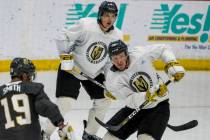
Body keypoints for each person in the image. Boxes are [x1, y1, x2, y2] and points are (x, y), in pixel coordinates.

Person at [44, 1, 123, 140]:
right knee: (65, 103)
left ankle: (89, 134)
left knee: (104, 100)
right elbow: (62, 36)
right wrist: (65, 56)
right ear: (100, 15)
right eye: (106, 15)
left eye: (113, 16)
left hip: (95, 73)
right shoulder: (86, 25)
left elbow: (110, 62)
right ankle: (45, 133)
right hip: (72, 68)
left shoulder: (117, 36)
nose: (109, 20)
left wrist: (110, 81)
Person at [101, 40, 185, 140]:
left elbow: (163, 48)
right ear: (111, 59)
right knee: (109, 138)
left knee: (145, 138)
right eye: (115, 58)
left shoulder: (140, 54)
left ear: (126, 54)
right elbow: (129, 100)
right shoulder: (112, 77)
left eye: (121, 56)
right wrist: (146, 95)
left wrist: (172, 63)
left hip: (158, 106)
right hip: (134, 108)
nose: (119, 61)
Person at [0, 57, 77, 140]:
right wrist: (61, 124)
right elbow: (46, 107)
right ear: (24, 75)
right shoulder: (33, 88)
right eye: (30, 76)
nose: (30, 79)